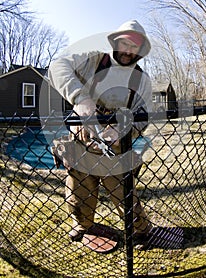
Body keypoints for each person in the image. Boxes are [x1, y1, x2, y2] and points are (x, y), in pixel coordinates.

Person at [49, 20, 173, 252]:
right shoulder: (93, 60)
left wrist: (122, 131)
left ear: (141, 51)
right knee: (78, 190)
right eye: (124, 43)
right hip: (81, 140)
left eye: (134, 47)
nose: (128, 50)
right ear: (115, 42)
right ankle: (83, 226)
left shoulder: (141, 80)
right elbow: (57, 67)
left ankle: (141, 231)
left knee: (124, 193)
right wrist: (80, 97)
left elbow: (142, 116)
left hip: (115, 147)